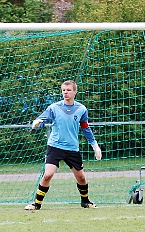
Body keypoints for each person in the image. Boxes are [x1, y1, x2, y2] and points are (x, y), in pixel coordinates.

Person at [25, 80, 102, 210]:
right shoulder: (54, 107)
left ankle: (85, 202)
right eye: (63, 90)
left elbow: (85, 127)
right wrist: (37, 123)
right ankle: (36, 204)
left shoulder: (81, 109)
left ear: (75, 92)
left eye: (68, 90)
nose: (65, 92)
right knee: (48, 175)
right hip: (55, 146)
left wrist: (94, 145)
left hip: (72, 148)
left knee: (81, 178)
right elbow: (42, 119)